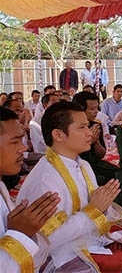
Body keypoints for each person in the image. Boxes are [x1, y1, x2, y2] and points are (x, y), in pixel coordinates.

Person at [17, 101, 122, 272]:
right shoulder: (45, 179)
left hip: (89, 239)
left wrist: (104, 205)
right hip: (60, 253)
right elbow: (49, 238)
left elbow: (98, 209)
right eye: (82, 127)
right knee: (100, 265)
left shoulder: (83, 164)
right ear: (58, 135)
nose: (89, 133)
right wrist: (93, 210)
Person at [0, 106, 61, 272]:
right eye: (15, 141)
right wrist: (19, 233)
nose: (24, 148)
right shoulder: (44, 174)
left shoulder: (2, 186)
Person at [72, 91, 118, 186]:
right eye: (92, 109)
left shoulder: (96, 125)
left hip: (96, 163)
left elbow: (102, 155)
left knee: (120, 173)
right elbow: (70, 155)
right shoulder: (71, 128)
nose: (96, 111)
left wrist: (96, 142)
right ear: (80, 110)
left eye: (97, 108)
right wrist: (88, 142)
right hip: (76, 165)